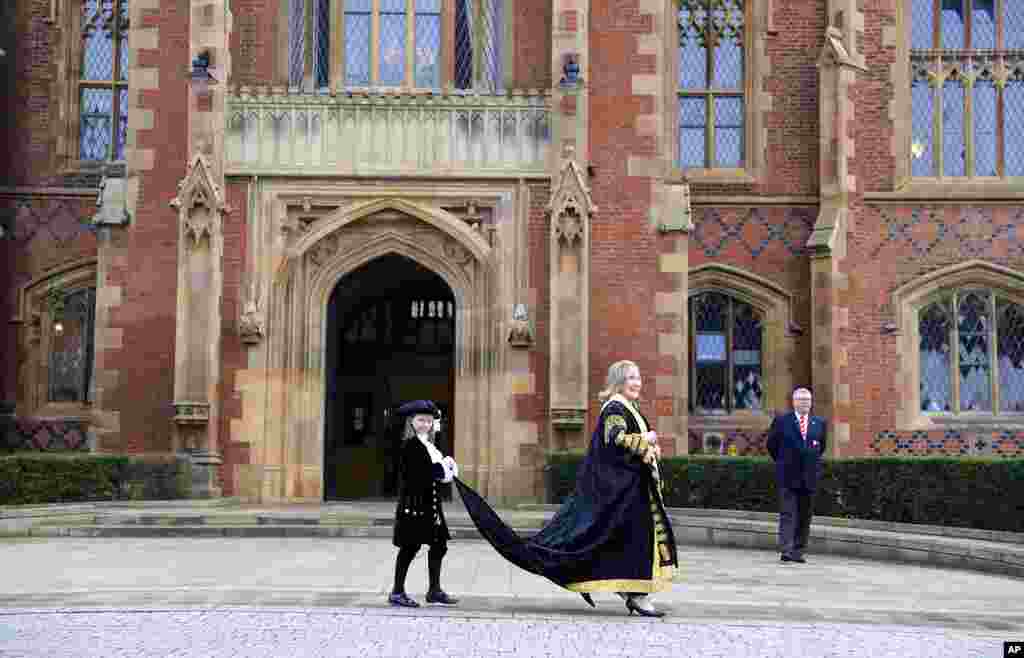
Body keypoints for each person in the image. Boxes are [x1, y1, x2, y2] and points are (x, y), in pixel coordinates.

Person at [455, 360, 678, 617]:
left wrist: (650, 448)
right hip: (623, 493)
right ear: (618, 381)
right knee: (626, 539)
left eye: (638, 377)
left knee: (626, 539)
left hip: (630, 492)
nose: (636, 382)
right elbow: (615, 438)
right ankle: (635, 593)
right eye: (630, 378)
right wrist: (646, 440)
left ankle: (631, 590)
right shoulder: (616, 407)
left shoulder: (629, 407)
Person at [388, 399, 460, 607]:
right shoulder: (411, 445)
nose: (425, 425)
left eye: (428, 421)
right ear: (411, 421)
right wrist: (443, 467)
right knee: (410, 547)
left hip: (431, 505)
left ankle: (434, 590)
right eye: (421, 420)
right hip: (415, 505)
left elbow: (436, 473)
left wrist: (444, 467)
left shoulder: (428, 445)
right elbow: (423, 473)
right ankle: (397, 591)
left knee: (439, 545)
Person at [766, 387, 827, 564]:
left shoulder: (819, 423)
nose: (804, 403)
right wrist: (784, 462)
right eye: (801, 400)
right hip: (787, 475)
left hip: (809, 476)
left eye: (807, 400)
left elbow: (820, 447)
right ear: (793, 402)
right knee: (788, 513)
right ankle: (786, 549)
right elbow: (772, 445)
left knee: (804, 515)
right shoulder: (782, 421)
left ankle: (798, 551)